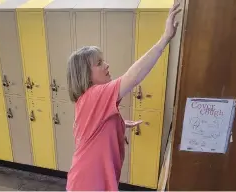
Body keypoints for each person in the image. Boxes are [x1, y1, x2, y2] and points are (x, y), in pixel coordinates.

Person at [66, 2, 181, 191]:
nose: (107, 65)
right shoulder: (94, 95)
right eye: (99, 63)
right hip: (88, 185)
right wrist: (164, 39)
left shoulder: (87, 101)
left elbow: (89, 130)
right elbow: (133, 77)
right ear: (84, 74)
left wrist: (119, 124)